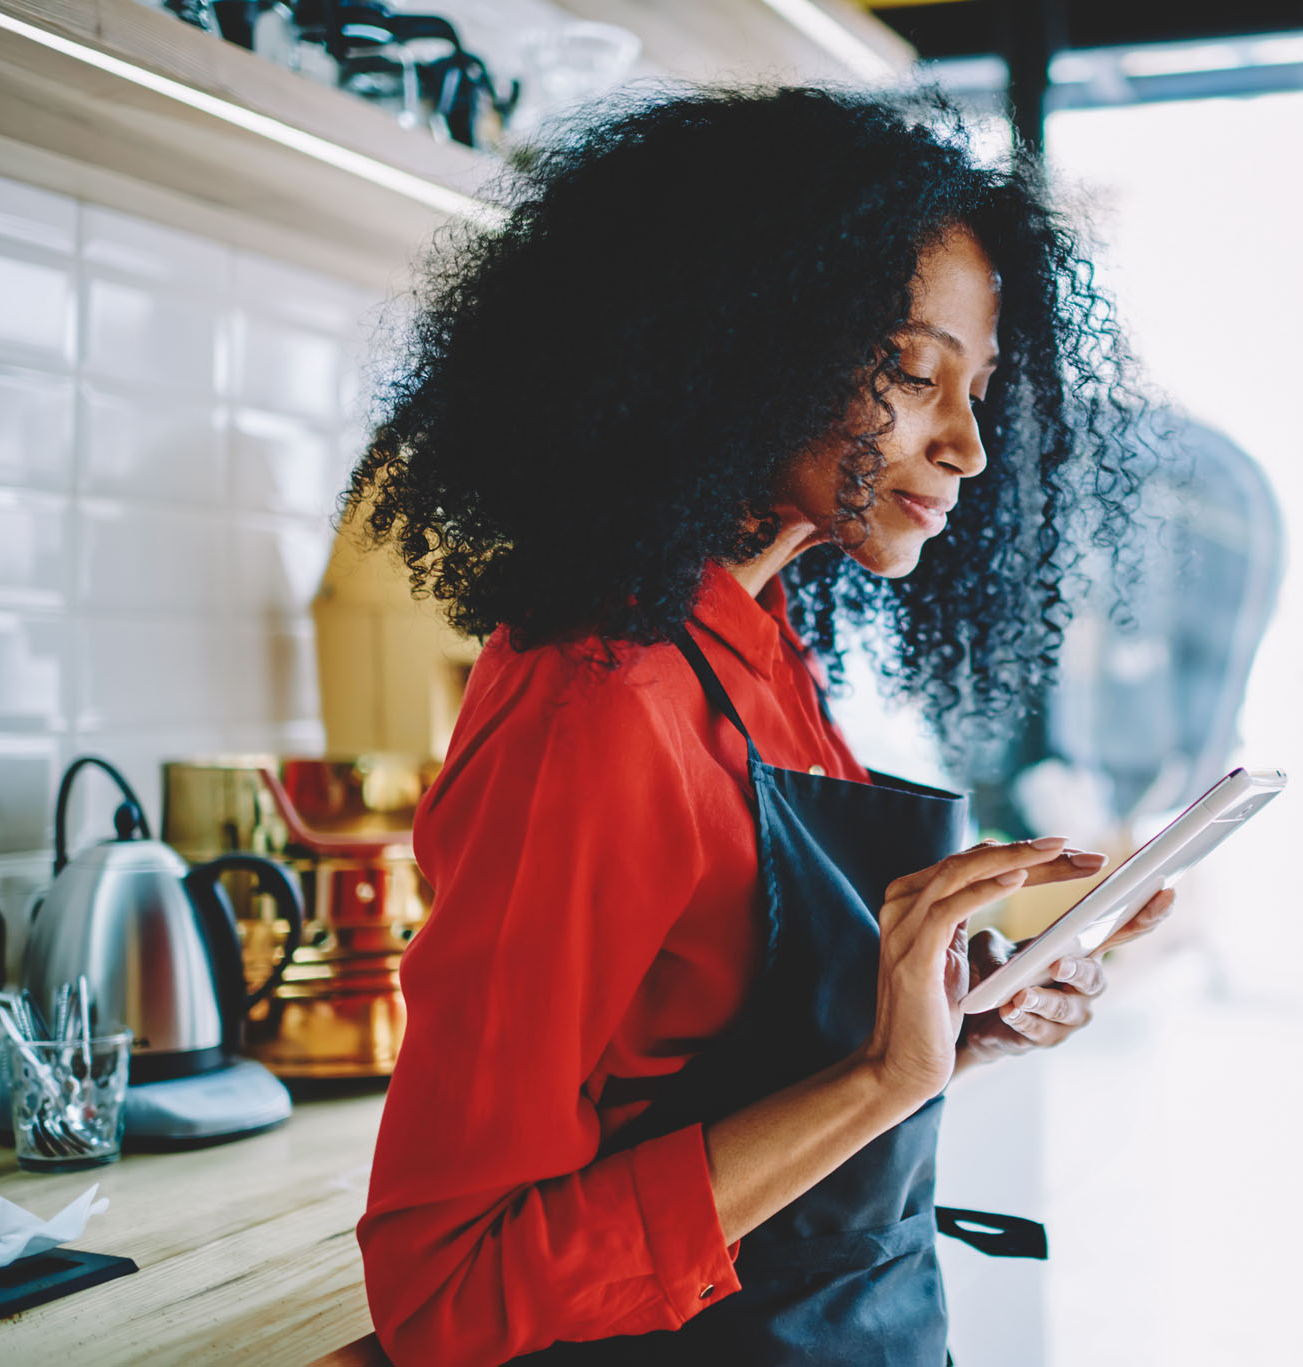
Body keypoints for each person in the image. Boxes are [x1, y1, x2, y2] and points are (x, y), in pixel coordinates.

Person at [348, 86, 1162, 1366]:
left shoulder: (755, 645)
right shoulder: (601, 707)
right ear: (745, 346)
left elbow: (723, 1080)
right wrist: (883, 1079)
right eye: (912, 374)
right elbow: (450, 1290)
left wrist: (950, 1024)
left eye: (979, 389)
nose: (967, 446)